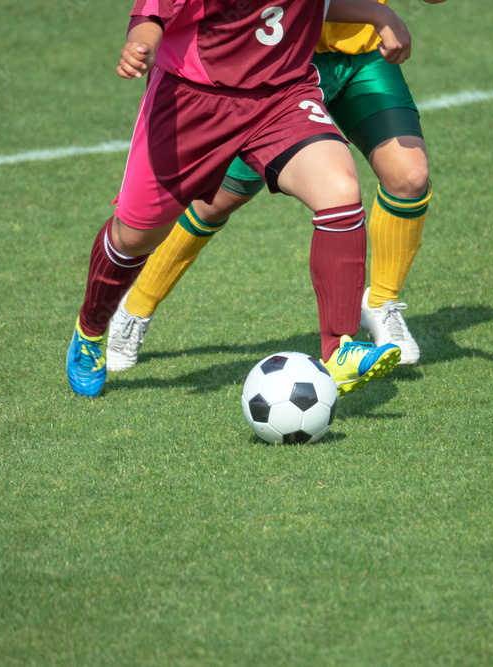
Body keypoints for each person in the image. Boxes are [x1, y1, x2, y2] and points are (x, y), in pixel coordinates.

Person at [67, 0, 413, 398]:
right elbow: (153, 12)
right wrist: (140, 45)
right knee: (133, 238)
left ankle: (339, 349)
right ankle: (90, 330)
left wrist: (380, 14)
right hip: (192, 100)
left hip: (282, 95)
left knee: (339, 190)